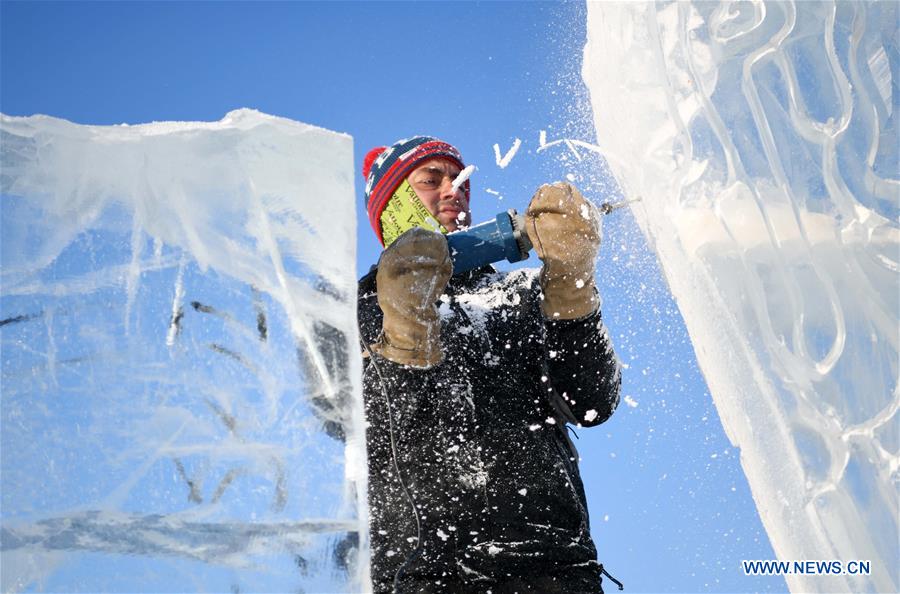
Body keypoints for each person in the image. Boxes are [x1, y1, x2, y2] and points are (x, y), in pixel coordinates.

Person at [358, 136, 621, 593]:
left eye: (460, 182)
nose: (453, 190)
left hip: (555, 568)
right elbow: (354, 426)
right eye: (430, 180)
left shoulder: (520, 295)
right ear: (392, 204)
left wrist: (570, 286)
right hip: (423, 577)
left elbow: (592, 402)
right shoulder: (355, 311)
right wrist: (403, 333)